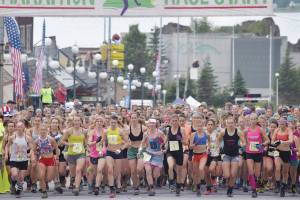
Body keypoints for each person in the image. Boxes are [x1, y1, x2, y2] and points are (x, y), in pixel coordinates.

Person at [5, 121, 34, 198]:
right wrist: (6, 154)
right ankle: (13, 185)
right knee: (14, 174)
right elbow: (7, 146)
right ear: (16, 128)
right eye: (18, 127)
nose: (19, 128)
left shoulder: (27, 137)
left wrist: (30, 153)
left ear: (23, 127)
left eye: (21, 126)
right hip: (14, 159)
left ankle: (18, 190)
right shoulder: (12, 137)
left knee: (21, 177)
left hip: (23, 160)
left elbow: (32, 147)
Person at [217, 115, 245, 197]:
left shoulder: (238, 132)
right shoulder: (223, 132)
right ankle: (224, 178)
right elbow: (218, 140)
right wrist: (219, 148)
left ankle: (230, 190)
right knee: (227, 175)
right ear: (226, 124)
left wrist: (241, 148)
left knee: (233, 174)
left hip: (235, 155)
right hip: (226, 155)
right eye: (229, 123)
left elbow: (244, 142)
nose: (230, 124)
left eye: (232, 123)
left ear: (234, 123)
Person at [244, 113, 269, 198]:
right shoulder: (246, 130)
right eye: (251, 119)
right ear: (249, 120)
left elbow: (267, 140)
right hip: (249, 153)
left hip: (258, 153)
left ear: (257, 120)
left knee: (257, 174)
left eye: (255, 119)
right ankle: (254, 190)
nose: (253, 121)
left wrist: (262, 145)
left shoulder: (260, 129)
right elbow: (242, 141)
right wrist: (244, 144)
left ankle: (252, 180)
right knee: (251, 171)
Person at [62, 116, 88, 196]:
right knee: (73, 173)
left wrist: (88, 150)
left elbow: (86, 142)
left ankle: (76, 188)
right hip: (71, 154)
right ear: (73, 122)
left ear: (81, 122)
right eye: (75, 121)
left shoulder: (84, 131)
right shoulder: (69, 131)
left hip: (81, 153)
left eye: (78, 120)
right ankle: (76, 181)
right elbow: (62, 141)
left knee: (78, 170)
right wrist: (69, 144)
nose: (76, 122)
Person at [140, 118, 166, 196]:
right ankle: (151, 188)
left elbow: (166, 142)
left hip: (158, 155)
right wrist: (140, 150)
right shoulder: (145, 134)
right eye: (150, 123)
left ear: (155, 124)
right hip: (147, 154)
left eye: (153, 123)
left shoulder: (160, 133)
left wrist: (163, 150)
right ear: (148, 124)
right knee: (148, 170)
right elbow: (142, 143)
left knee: (155, 174)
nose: (151, 125)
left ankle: (151, 182)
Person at [33, 123, 60, 198]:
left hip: (51, 159)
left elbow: (57, 149)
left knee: (48, 178)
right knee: (41, 176)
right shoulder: (37, 140)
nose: (43, 131)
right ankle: (44, 191)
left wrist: (57, 158)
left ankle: (44, 184)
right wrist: (35, 156)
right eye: (41, 130)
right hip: (42, 160)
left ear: (47, 130)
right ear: (39, 131)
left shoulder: (51, 139)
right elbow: (33, 150)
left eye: (44, 130)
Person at [105, 115, 127, 198]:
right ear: (109, 123)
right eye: (111, 122)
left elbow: (127, 142)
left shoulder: (120, 131)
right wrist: (101, 149)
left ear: (117, 123)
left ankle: (112, 183)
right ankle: (111, 188)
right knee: (110, 169)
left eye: (114, 122)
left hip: (118, 153)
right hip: (109, 152)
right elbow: (103, 142)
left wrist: (121, 148)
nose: (113, 124)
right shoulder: (106, 131)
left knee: (117, 173)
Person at [271, 117, 293, 197]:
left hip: (286, 152)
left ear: (285, 123)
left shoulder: (288, 130)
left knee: (285, 171)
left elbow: (291, 141)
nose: (281, 125)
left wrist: (282, 142)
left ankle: (283, 186)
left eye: (283, 124)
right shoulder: (277, 130)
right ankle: (278, 184)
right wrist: (275, 143)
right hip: (278, 151)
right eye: (280, 124)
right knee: (277, 168)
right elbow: (272, 141)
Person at [126, 113, 146, 195]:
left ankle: (141, 177)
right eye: (132, 118)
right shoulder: (128, 129)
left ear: (138, 118)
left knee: (139, 169)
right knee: (133, 170)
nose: (134, 119)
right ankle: (136, 187)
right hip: (131, 150)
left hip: (141, 149)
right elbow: (125, 139)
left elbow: (146, 139)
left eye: (135, 118)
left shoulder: (143, 128)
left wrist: (141, 148)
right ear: (130, 119)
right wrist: (128, 142)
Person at [189, 113, 209, 196]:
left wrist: (208, 148)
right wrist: (195, 144)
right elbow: (190, 147)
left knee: (201, 169)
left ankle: (202, 181)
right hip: (195, 154)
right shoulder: (193, 135)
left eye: (201, 126)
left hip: (203, 154)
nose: (200, 128)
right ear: (196, 127)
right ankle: (198, 188)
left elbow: (210, 143)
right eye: (198, 126)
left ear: (203, 126)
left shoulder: (206, 134)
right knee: (195, 172)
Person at [166, 114, 185, 196]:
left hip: (179, 151)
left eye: (176, 121)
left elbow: (185, 141)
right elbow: (166, 139)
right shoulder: (168, 129)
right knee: (170, 166)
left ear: (178, 121)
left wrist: (181, 139)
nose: (174, 122)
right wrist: (162, 144)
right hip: (170, 150)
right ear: (171, 121)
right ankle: (171, 181)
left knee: (179, 171)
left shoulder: (181, 129)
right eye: (173, 121)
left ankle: (178, 186)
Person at [87, 116, 106, 195]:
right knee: (92, 172)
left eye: (101, 121)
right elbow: (89, 143)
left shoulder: (106, 131)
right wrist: (96, 141)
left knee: (99, 170)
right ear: (95, 123)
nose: (99, 122)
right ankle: (91, 184)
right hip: (93, 154)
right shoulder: (92, 132)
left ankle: (97, 187)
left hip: (103, 153)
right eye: (97, 121)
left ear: (103, 123)